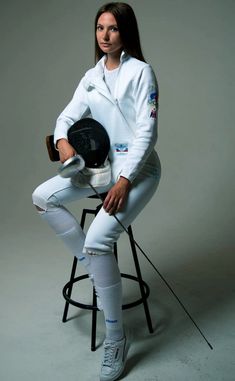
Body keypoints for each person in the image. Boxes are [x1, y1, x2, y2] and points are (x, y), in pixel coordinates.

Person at [32, 2, 161, 380]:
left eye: (113, 29)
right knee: (43, 197)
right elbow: (66, 116)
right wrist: (62, 141)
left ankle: (116, 339)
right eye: (100, 28)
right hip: (100, 171)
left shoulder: (141, 72)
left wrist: (125, 182)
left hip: (137, 173)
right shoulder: (91, 76)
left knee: (98, 239)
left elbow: (147, 134)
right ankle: (93, 267)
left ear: (126, 33)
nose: (105, 36)